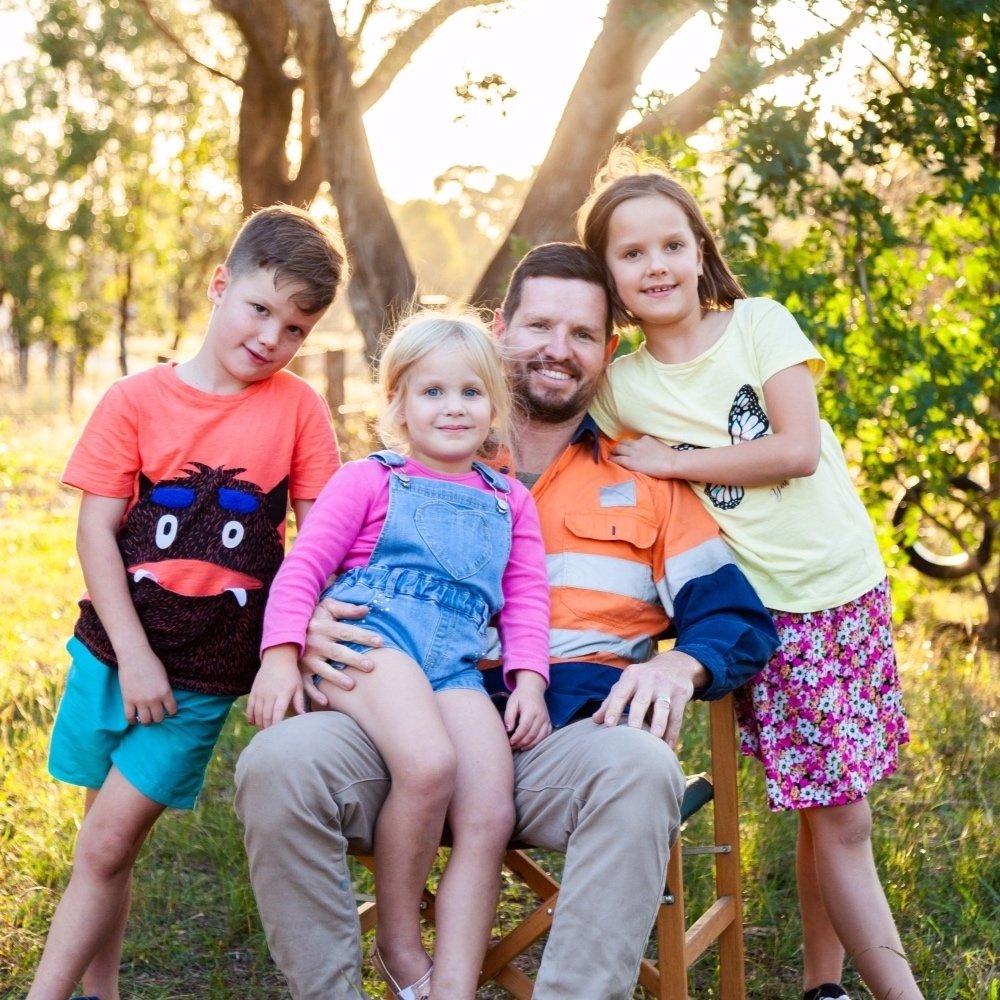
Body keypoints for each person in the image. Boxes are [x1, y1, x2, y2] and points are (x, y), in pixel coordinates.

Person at [234, 241, 779, 1000]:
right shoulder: (402, 466)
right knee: (277, 765)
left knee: (642, 767)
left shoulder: (647, 477)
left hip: (557, 743)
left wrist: (675, 664)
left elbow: (735, 617)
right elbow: (313, 565)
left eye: (583, 334)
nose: (559, 349)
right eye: (539, 327)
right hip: (389, 723)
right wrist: (308, 626)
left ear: (606, 352)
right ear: (499, 329)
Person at [579, 146, 923, 1000]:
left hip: (846, 584)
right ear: (610, 277)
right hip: (770, 613)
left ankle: (823, 984)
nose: (655, 265)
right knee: (842, 815)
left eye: (671, 244)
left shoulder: (760, 322)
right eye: (631, 253)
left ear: (701, 248)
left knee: (831, 809)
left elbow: (796, 450)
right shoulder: (618, 386)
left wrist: (672, 459)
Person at [27, 205, 348, 1000]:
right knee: (104, 849)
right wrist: (133, 656)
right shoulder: (135, 400)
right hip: (112, 652)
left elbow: (322, 537)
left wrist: (299, 630)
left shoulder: (298, 410)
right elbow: (96, 532)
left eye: (296, 328)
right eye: (260, 308)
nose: (272, 337)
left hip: (203, 668)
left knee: (105, 846)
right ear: (218, 285)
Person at [247, 310, 552, 1000]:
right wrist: (280, 653)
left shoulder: (511, 502)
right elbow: (302, 569)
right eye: (432, 392)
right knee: (430, 764)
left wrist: (528, 680)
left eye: (472, 392)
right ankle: (398, 942)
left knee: (489, 811)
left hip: (455, 665)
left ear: (495, 407)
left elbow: (528, 598)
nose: (453, 407)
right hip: (374, 642)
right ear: (400, 406)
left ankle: (453, 985)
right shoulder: (371, 479)